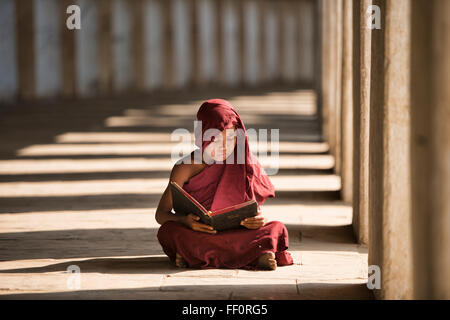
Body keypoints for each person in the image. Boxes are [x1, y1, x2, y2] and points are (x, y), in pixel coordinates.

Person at [155, 98, 293, 270]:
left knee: (277, 228)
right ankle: (253, 255)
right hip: (198, 233)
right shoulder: (185, 167)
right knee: (168, 231)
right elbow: (161, 214)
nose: (223, 147)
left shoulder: (245, 164)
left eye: (230, 139)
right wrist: (184, 221)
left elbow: (255, 210)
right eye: (215, 140)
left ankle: (193, 256)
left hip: (236, 234)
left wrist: (259, 220)